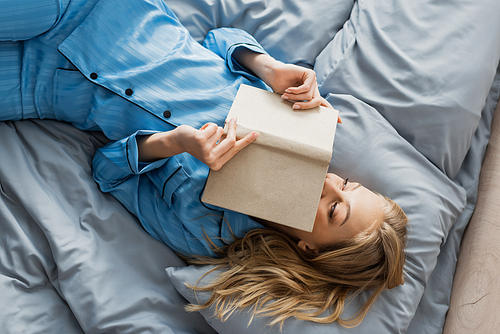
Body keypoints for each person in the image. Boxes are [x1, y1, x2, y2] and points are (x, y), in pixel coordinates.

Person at [0, 0, 408, 327]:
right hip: (98, 13)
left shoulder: (209, 234)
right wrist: (270, 67)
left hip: (42, 85)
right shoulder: (305, 130)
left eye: (335, 209)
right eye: (348, 183)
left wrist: (175, 143)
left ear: (309, 247)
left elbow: (108, 170)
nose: (331, 183)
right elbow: (215, 41)